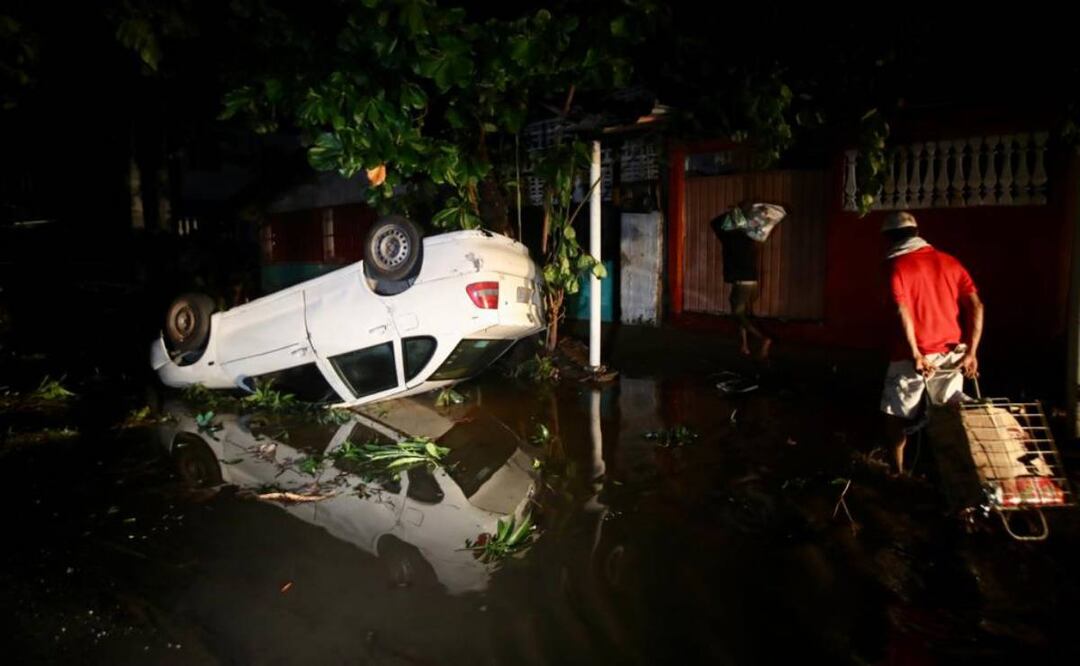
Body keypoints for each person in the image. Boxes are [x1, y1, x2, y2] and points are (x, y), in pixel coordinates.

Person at [880, 211, 984, 475]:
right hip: (952, 353)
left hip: (913, 356)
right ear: (915, 232)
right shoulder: (950, 262)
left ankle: (897, 472)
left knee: (895, 415)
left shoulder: (897, 266)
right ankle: (960, 473)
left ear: (889, 238)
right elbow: (976, 306)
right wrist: (971, 352)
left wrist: (915, 354)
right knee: (950, 414)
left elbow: (901, 311)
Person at [713, 202, 773, 359]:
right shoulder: (751, 238)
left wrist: (733, 211)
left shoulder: (730, 237)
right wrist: (738, 213)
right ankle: (744, 345)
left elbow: (714, 223)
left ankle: (763, 339)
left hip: (742, 284)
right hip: (752, 284)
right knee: (743, 314)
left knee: (738, 313)